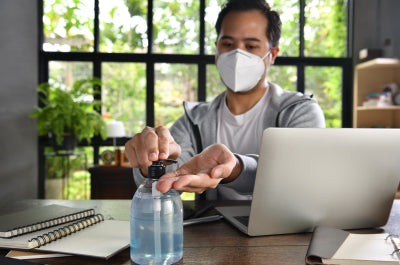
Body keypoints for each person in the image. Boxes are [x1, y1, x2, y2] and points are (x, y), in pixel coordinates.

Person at [124, 0, 325, 200]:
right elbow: (168, 177)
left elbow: (303, 178)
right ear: (217, 51)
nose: (237, 54)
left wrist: (236, 168)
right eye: (228, 44)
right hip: (216, 231)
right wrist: (155, 161)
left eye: (251, 46)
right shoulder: (194, 120)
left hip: (286, 231)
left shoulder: (300, 112)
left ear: (272, 54)